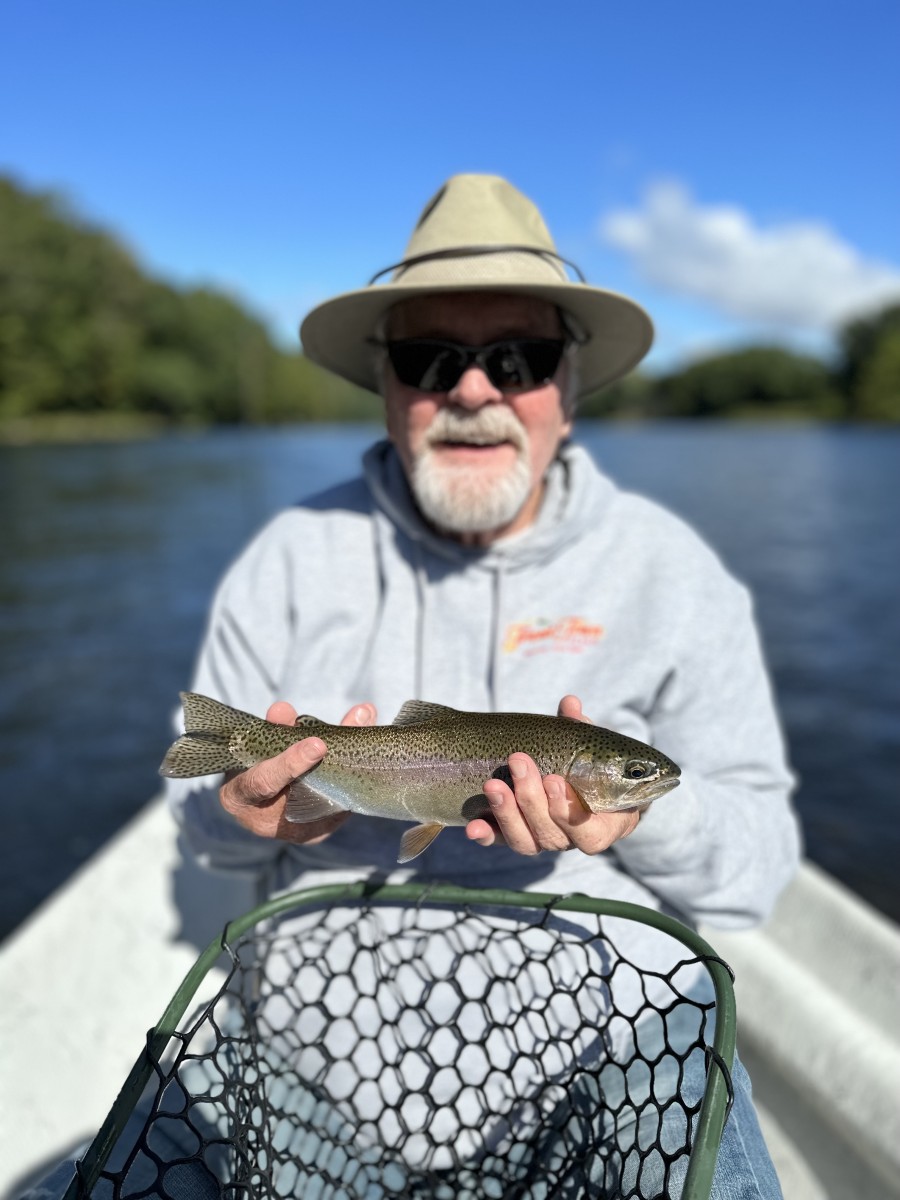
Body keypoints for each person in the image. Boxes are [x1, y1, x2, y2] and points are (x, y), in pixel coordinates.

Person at [167, 173, 800, 1198]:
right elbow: (208, 835)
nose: (473, 391)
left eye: (520, 358)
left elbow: (758, 868)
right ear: (386, 381)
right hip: (321, 1050)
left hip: (614, 1044)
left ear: (570, 384)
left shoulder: (676, 572)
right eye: (430, 359)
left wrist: (637, 820)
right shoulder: (286, 559)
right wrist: (246, 813)